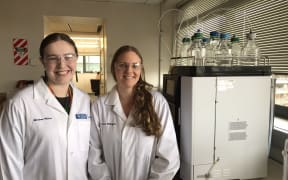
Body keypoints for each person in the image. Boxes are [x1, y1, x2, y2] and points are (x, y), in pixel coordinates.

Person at [0, 33, 91, 180]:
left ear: (76, 59)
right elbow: (8, 165)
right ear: (42, 61)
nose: (62, 64)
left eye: (68, 57)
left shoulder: (85, 101)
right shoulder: (19, 104)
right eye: (53, 58)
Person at [88, 45, 180, 180]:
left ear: (141, 69)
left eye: (135, 65)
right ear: (114, 68)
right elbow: (94, 156)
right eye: (122, 65)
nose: (129, 70)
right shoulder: (99, 106)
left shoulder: (157, 103)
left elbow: (169, 156)